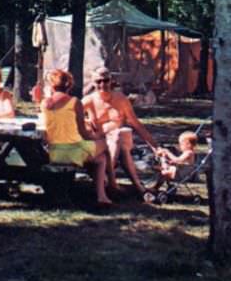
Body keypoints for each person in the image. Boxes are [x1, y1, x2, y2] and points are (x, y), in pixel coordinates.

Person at [38, 69, 112, 206]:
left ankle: (103, 193)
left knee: (100, 159)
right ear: (69, 85)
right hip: (74, 151)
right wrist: (97, 136)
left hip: (54, 152)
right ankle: (109, 187)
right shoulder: (74, 102)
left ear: (51, 85)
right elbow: (83, 133)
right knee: (105, 144)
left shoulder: (44, 104)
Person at [82, 67, 159, 196]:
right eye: (98, 81)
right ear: (93, 83)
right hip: (99, 143)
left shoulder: (120, 99)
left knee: (119, 139)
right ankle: (137, 187)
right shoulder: (89, 100)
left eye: (105, 81)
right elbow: (71, 115)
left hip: (116, 141)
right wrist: (86, 121)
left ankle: (110, 181)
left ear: (111, 81)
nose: (102, 85)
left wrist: (155, 147)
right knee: (121, 144)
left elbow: (137, 124)